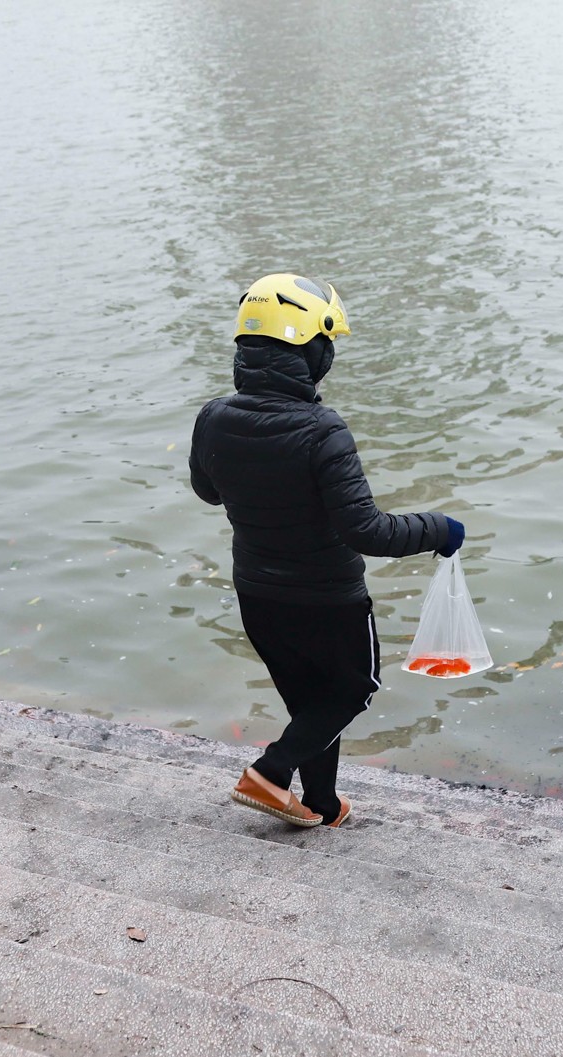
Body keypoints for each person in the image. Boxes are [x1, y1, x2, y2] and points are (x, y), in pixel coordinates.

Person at [191, 274, 464, 828]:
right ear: (311, 353)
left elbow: (208, 490)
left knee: (310, 704)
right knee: (354, 689)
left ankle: (320, 803)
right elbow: (369, 531)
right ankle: (271, 771)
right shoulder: (322, 429)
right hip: (328, 599)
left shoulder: (213, 417)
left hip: (258, 595)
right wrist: (438, 528)